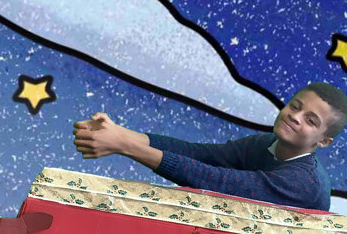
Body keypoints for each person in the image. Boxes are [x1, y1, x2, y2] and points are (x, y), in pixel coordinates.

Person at [72, 82, 347, 211]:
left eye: (310, 120)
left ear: (323, 141)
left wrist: (124, 145)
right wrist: (121, 133)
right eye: (295, 106)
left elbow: (217, 182)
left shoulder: (305, 183)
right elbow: (202, 155)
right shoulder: (265, 144)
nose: (295, 117)